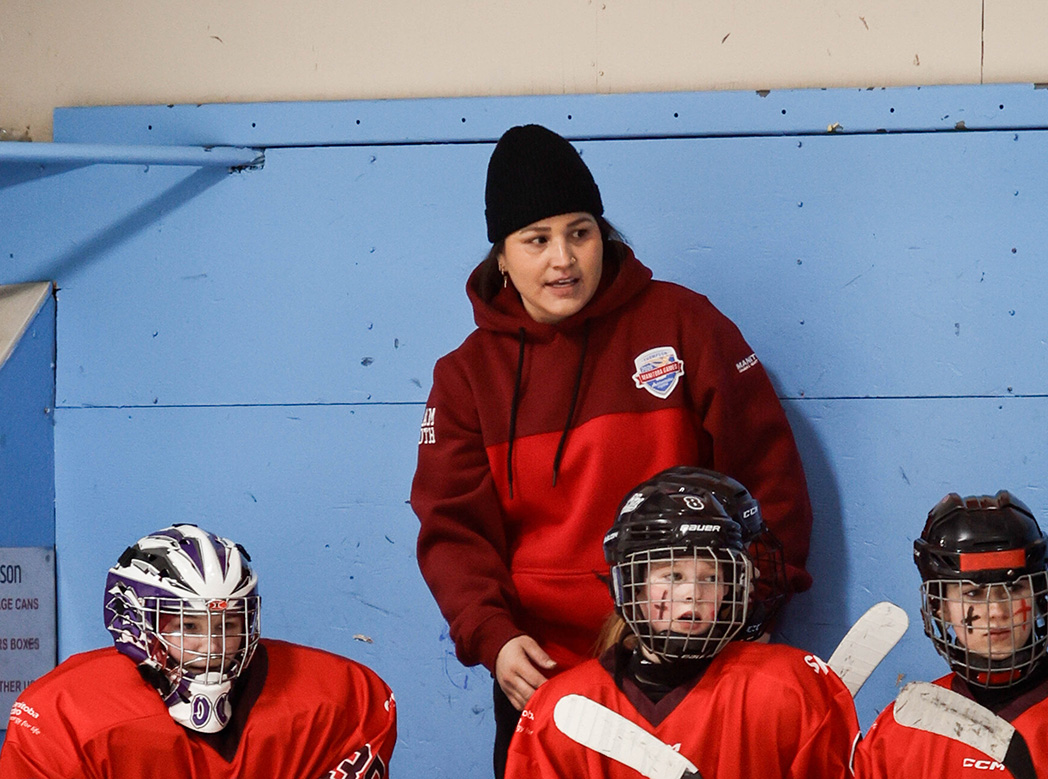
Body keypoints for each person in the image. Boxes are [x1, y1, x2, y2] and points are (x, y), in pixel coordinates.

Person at [410, 122, 815, 776]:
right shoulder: (465, 377)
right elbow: (452, 529)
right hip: (547, 675)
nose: (563, 259)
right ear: (502, 257)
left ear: (605, 235)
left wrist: (756, 605)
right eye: (536, 240)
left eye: (580, 231)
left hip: (695, 657)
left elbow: (769, 481)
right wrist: (494, 636)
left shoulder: (685, 325)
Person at [503, 469, 859, 778]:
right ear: (633, 585)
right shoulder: (561, 709)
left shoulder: (788, 689)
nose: (693, 593)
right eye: (672, 575)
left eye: (710, 577)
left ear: (731, 589)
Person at [0, 524, 397, 779]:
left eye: (229, 625)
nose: (213, 646)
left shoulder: (338, 697)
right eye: (188, 626)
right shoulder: (66, 713)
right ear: (135, 622)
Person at [853, 491, 1048, 778]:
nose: (997, 612)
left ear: (1040, 596)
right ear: (940, 607)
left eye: (1015, 588)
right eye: (973, 593)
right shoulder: (903, 726)